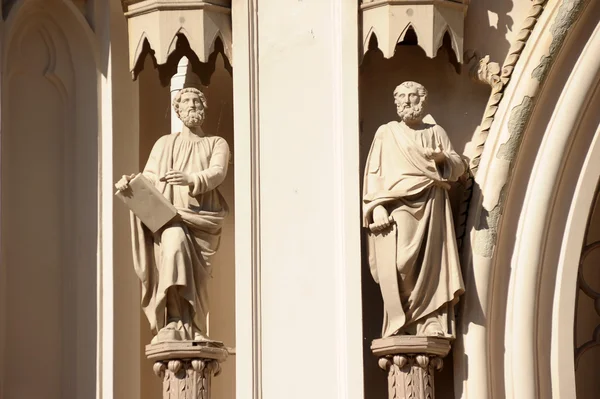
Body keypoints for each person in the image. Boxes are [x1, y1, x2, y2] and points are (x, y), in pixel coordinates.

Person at [115, 87, 229, 343]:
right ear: (177, 109)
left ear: (204, 107)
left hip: (202, 221)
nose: (192, 105)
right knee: (174, 249)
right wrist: (130, 183)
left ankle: (195, 324)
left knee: (198, 282)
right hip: (170, 218)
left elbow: (218, 172)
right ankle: (174, 320)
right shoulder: (165, 143)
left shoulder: (215, 143)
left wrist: (190, 179)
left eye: (197, 101)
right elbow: (151, 178)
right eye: (186, 101)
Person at [363, 81, 465, 338]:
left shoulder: (435, 131)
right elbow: (374, 175)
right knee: (401, 264)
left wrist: (442, 159)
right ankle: (405, 318)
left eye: (413, 96)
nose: (408, 102)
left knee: (433, 266)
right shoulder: (386, 133)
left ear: (422, 100)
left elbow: (457, 164)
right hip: (398, 203)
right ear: (396, 102)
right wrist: (376, 208)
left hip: (432, 200)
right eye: (402, 97)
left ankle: (429, 321)